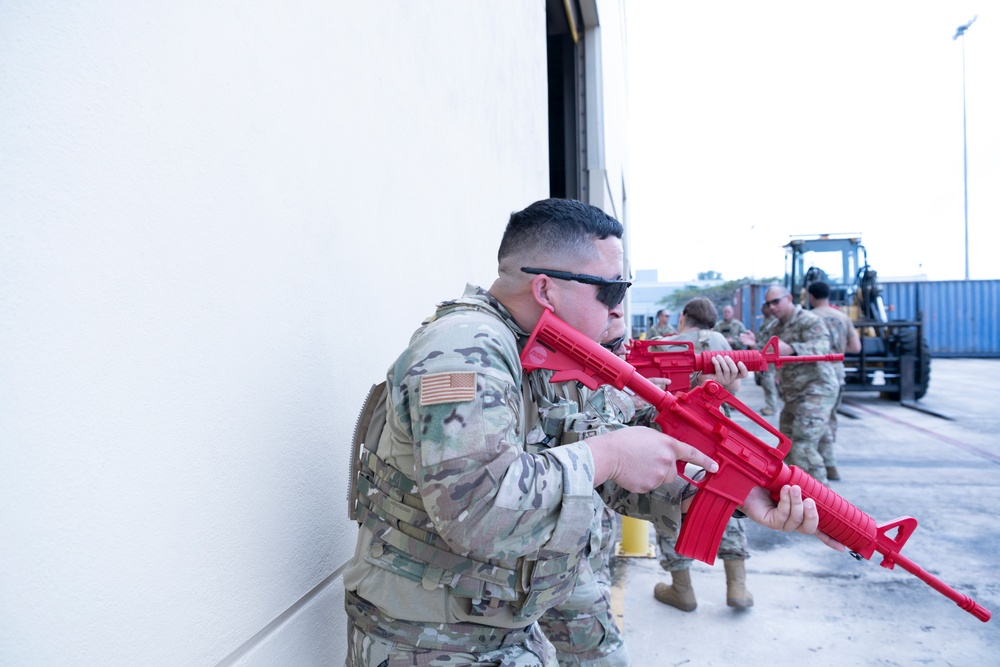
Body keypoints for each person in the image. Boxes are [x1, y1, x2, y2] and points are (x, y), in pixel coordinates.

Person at [344, 199, 834, 666]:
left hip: (498, 619)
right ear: (546, 289)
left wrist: (734, 495)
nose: (617, 311)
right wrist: (610, 454)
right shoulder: (465, 347)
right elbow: (477, 511)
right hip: (431, 639)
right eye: (611, 292)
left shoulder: (541, 351)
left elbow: (607, 473)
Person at [650, 297, 754, 612]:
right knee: (726, 499)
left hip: (672, 434)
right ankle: (737, 586)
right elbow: (734, 388)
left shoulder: (664, 343)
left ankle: (682, 590)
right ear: (711, 322)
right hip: (717, 434)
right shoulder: (723, 342)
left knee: (667, 500)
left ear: (683, 318)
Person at [740, 285, 840, 482]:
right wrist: (754, 345)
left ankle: (822, 502)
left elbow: (822, 346)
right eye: (768, 304)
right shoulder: (774, 327)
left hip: (817, 389)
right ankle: (801, 492)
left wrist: (793, 348)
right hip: (793, 393)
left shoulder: (809, 321)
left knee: (802, 446)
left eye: (776, 302)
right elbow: (764, 351)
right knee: (787, 446)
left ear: (789, 298)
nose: (772, 307)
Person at [807, 281, 862, 481]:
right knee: (830, 417)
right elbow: (856, 347)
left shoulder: (810, 317)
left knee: (812, 420)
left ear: (811, 296)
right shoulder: (843, 317)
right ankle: (830, 463)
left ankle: (819, 463)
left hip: (816, 371)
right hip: (838, 371)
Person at [757, 302, 780, 416]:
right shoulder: (766, 320)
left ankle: (772, 406)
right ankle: (770, 405)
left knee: (768, 381)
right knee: (765, 382)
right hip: (763, 354)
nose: (762, 309)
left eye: (764, 306)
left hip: (768, 355)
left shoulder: (773, 321)